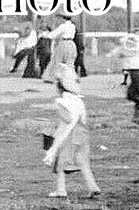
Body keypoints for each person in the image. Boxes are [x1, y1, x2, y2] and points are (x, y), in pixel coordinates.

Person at [42, 65, 101, 199]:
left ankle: (61, 190)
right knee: (83, 162)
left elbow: (67, 121)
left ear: (59, 86)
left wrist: (54, 145)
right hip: (83, 134)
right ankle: (93, 187)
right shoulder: (79, 100)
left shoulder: (60, 102)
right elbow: (83, 119)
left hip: (70, 135)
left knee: (61, 164)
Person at [109, 33, 139, 127]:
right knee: (135, 95)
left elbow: (115, 52)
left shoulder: (129, 49)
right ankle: (136, 116)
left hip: (137, 73)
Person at [44, 13, 78, 82]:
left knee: (57, 60)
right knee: (70, 62)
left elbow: (53, 35)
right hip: (71, 43)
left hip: (63, 43)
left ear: (63, 18)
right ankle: (71, 77)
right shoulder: (72, 26)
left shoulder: (63, 26)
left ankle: (52, 78)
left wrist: (46, 35)